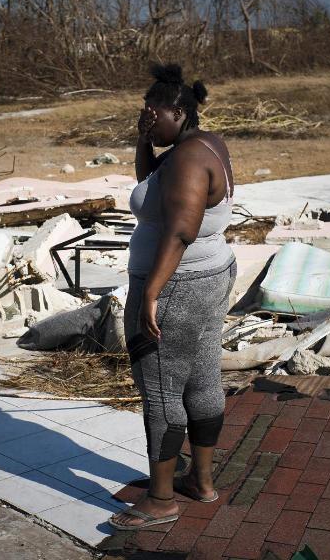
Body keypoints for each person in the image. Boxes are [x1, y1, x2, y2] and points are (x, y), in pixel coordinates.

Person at [109, 64, 237, 531]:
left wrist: (151, 295)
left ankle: (160, 500)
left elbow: (179, 230)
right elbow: (151, 187)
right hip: (208, 276)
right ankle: (200, 482)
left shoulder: (185, 159)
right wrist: (143, 138)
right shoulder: (199, 145)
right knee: (203, 378)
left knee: (162, 391)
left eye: (153, 112)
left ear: (178, 112)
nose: (147, 116)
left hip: (177, 286)